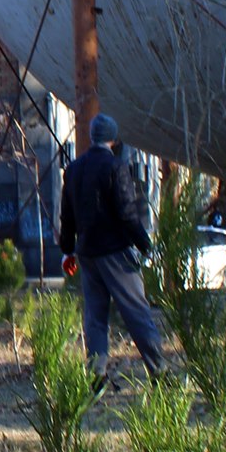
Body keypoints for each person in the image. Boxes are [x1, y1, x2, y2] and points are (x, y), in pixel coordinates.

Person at [58, 112, 166, 379]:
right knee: (137, 313)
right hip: (115, 253)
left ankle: (96, 375)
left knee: (95, 317)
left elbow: (67, 215)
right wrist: (146, 246)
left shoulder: (73, 169)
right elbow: (127, 214)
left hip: (87, 254)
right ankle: (159, 372)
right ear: (114, 140)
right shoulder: (115, 167)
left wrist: (67, 250)